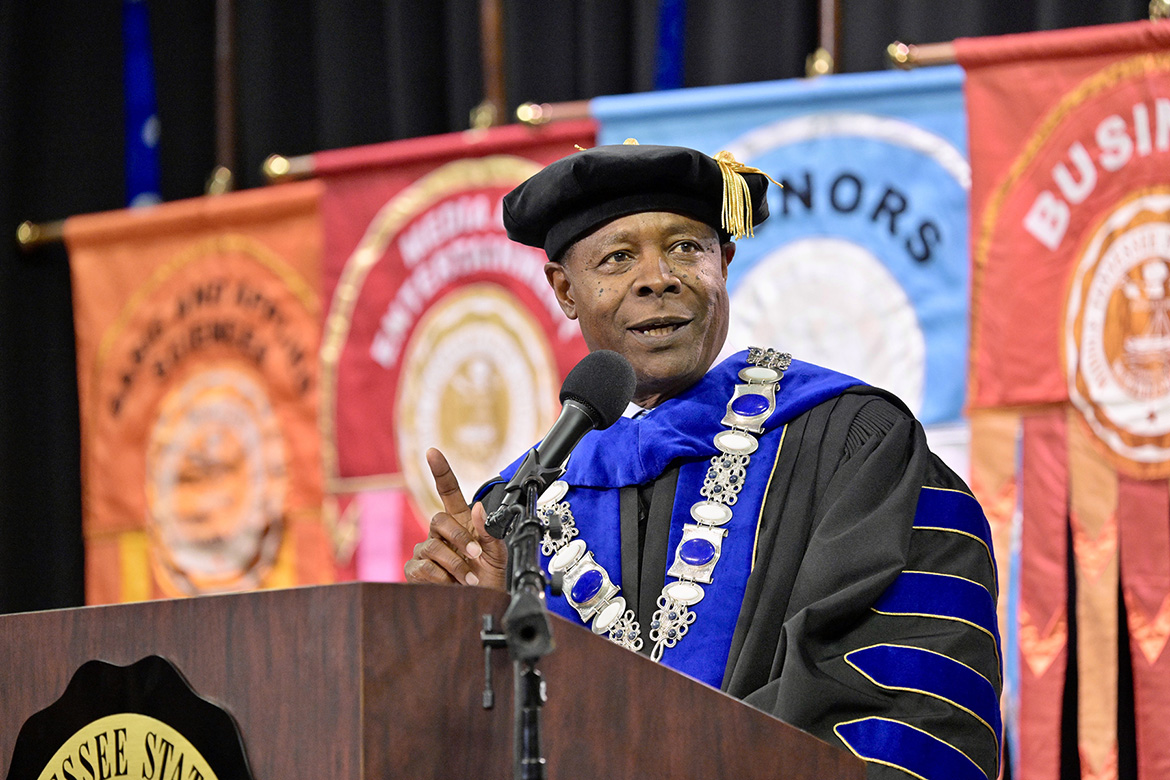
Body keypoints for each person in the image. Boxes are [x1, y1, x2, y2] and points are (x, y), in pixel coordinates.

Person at [405, 141, 1001, 780]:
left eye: (687, 248)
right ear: (565, 290)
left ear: (725, 262)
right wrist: (465, 628)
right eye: (617, 257)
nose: (657, 277)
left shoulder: (852, 444)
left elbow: (910, 699)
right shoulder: (519, 512)